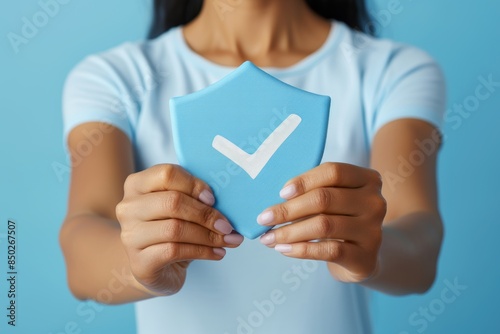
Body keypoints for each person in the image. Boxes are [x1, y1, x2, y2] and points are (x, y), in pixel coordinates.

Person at [59, 0, 445, 333]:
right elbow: (82, 238)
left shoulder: (392, 70)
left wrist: (372, 255)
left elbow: (420, 242)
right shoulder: (115, 77)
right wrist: (135, 266)